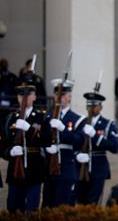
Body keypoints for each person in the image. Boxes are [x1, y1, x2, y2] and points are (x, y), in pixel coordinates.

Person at [4, 78, 50, 212]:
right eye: (20, 95)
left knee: (32, 209)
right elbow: (3, 142)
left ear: (34, 97)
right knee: (13, 207)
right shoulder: (11, 118)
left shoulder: (41, 117)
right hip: (15, 169)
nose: (23, 98)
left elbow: (46, 140)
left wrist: (29, 128)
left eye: (27, 94)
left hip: (34, 168)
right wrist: (10, 151)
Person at [42, 79, 84, 207]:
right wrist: (47, 147)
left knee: (63, 205)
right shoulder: (48, 116)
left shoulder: (77, 119)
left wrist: (63, 129)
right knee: (47, 205)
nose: (59, 98)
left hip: (66, 167)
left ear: (69, 96)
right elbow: (42, 138)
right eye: (57, 95)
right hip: (49, 167)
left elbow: (79, 141)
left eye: (63, 95)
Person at [74, 88, 118, 205]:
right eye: (89, 106)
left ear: (100, 107)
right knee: (80, 201)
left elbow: (114, 147)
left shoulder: (108, 124)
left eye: (94, 106)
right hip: (80, 168)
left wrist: (96, 136)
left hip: (98, 168)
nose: (91, 108)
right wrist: (77, 155)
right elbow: (74, 143)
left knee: (94, 202)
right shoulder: (80, 122)